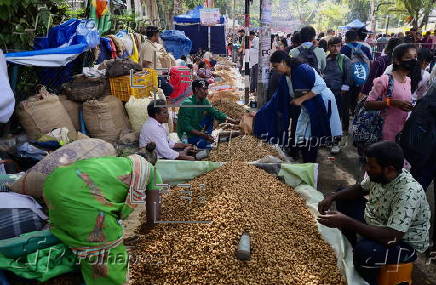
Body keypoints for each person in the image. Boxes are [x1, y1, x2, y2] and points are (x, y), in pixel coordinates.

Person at [318, 141, 431, 285]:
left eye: (371, 167)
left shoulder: (408, 193)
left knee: (365, 252)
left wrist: (346, 221)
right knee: (342, 196)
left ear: (389, 169)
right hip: (378, 220)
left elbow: (391, 237)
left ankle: (367, 278)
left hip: (400, 240)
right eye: (367, 164)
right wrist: (332, 197)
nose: (366, 169)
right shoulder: (380, 175)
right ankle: (350, 247)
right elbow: (360, 189)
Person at [44, 154, 163, 285]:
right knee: (109, 254)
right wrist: (149, 237)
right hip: (79, 195)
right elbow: (154, 219)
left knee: (75, 236)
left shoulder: (119, 162)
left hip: (54, 184)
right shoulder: (151, 171)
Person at [256, 51, 342, 162]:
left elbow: (321, 85)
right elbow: (276, 98)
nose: (275, 69)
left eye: (276, 66)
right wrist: (260, 112)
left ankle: (309, 162)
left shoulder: (302, 69)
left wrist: (301, 99)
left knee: (311, 135)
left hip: (320, 102)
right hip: (307, 106)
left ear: (283, 62)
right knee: (303, 135)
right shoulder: (285, 77)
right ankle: (307, 160)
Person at [364, 43, 416, 142]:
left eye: (415, 57)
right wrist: (392, 102)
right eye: (408, 57)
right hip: (384, 131)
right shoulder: (385, 80)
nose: (413, 60)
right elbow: (368, 104)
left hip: (401, 130)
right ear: (397, 60)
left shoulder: (408, 80)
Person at [177, 80, 239, 149]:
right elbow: (186, 127)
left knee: (211, 114)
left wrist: (234, 121)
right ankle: (202, 141)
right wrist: (203, 135)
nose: (207, 92)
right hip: (187, 135)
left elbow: (215, 112)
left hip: (198, 129)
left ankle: (207, 137)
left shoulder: (204, 101)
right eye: (204, 89)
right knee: (202, 144)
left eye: (207, 89)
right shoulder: (187, 104)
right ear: (196, 89)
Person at [324, 37, 352, 152]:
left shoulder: (344, 59)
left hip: (339, 94)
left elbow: (348, 77)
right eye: (333, 46)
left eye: (338, 46)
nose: (336, 48)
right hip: (325, 94)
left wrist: (344, 90)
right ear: (328, 47)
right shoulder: (325, 59)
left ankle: (335, 143)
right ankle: (327, 140)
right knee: (326, 116)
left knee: (336, 118)